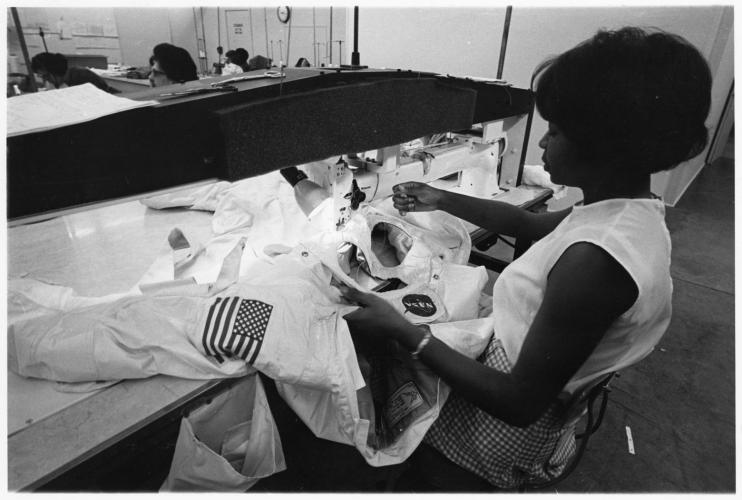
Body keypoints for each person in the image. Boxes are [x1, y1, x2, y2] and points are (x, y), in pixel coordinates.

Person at [339, 27, 712, 490]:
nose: (540, 144)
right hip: (523, 382)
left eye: (553, 133)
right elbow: (531, 227)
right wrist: (442, 198)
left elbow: (518, 404)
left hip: (492, 439)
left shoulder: (595, 264)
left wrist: (405, 333)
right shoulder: (625, 212)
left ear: (602, 146)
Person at [30, 52, 119, 93]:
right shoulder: (65, 78)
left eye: (46, 76)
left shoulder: (81, 76)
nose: (47, 80)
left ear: (53, 71)